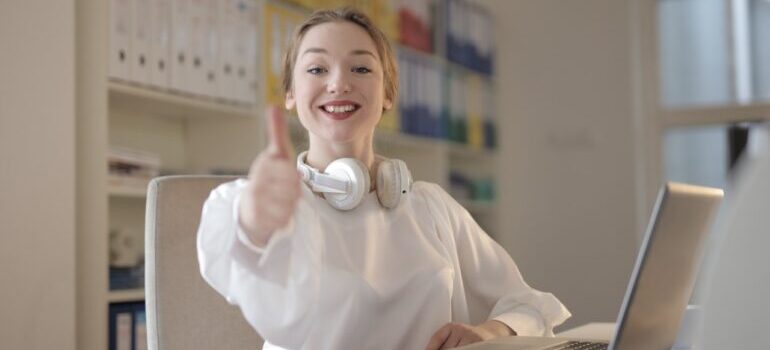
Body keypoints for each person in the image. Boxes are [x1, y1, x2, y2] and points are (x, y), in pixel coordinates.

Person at [197, 7, 570, 350]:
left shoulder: (430, 206)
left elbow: (529, 305)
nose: (339, 83)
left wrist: (489, 330)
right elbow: (238, 256)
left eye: (361, 69)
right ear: (291, 93)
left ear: (388, 94)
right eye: (316, 69)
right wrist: (253, 225)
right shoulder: (265, 206)